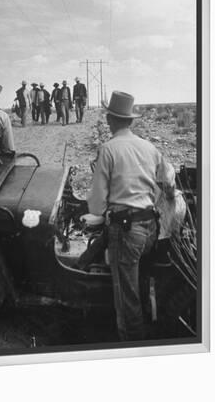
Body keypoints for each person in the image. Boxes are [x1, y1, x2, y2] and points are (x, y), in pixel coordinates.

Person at [87, 91, 175, 341]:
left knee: (126, 299)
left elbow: (96, 203)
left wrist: (98, 212)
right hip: (150, 228)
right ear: (131, 120)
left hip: (126, 231)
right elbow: (166, 184)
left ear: (109, 119)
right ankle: (152, 325)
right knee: (142, 280)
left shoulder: (108, 149)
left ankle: (133, 347)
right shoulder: (149, 147)